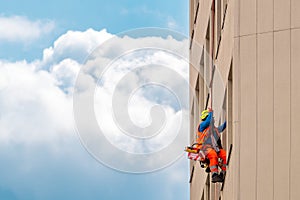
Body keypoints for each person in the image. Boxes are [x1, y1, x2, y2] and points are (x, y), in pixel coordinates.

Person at [196, 108, 227, 183]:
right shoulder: (202, 126)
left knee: (225, 155)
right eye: (211, 117)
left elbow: (222, 127)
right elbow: (207, 122)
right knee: (213, 155)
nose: (213, 119)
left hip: (215, 148)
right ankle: (214, 175)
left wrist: (228, 119)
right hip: (204, 148)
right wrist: (211, 112)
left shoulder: (214, 129)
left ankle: (222, 173)